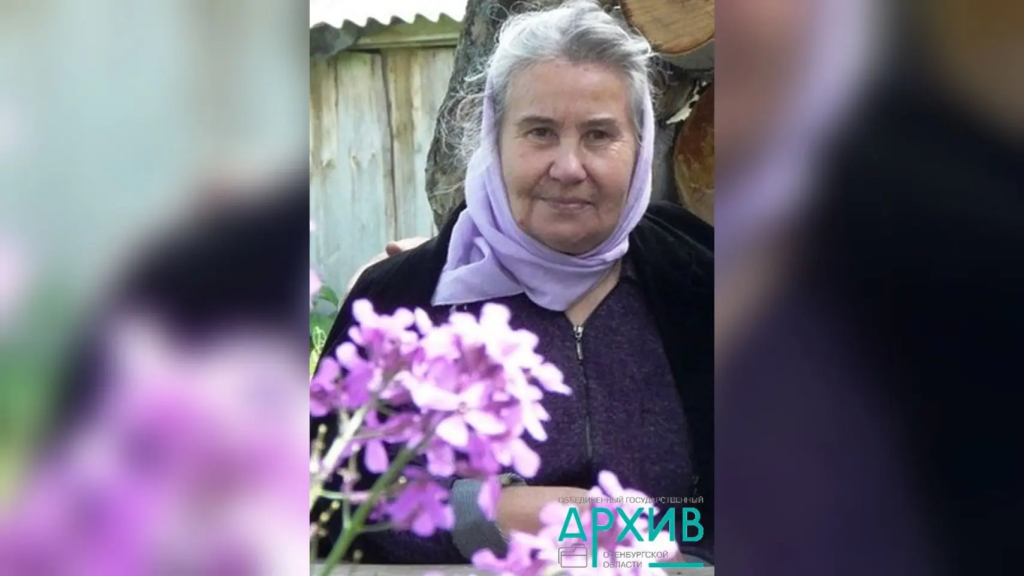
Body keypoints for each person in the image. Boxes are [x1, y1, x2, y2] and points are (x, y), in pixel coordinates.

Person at [312, 0, 713, 566]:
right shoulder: (400, 301)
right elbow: (323, 507)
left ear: (641, 145)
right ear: (494, 140)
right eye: (540, 132)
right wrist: (489, 513)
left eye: (599, 135)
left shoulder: (704, 283)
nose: (568, 167)